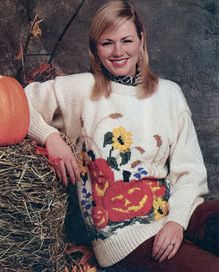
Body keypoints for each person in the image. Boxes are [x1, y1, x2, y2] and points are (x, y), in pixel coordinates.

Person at [24, 0, 219, 271]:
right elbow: (15, 101)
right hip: (127, 235)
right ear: (95, 49)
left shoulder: (170, 93)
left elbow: (191, 173)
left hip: (176, 213)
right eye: (107, 43)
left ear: (141, 41)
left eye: (126, 40)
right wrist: (50, 137)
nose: (118, 52)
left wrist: (176, 221)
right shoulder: (81, 89)